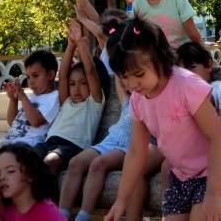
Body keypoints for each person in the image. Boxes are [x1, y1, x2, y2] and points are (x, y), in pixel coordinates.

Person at [102, 18, 221, 221]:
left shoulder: (186, 85)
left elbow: (216, 138)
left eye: (138, 74)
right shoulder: (137, 100)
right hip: (184, 175)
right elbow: (137, 152)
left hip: (220, 172)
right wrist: (121, 200)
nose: (132, 83)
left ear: (160, 60)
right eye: (124, 77)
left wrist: (214, 194)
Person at [0, 50, 60, 215]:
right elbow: (12, 121)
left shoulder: (53, 97)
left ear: (51, 74)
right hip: (4, 149)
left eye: (36, 76)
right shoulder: (31, 97)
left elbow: (36, 121)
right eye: (28, 77)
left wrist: (23, 97)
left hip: (23, 151)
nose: (31, 82)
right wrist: (13, 99)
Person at [58, 75, 162, 221]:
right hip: (108, 142)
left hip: (127, 147)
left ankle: (83, 216)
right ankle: (61, 215)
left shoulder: (152, 104)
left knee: (98, 163)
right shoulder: (128, 102)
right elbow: (120, 79)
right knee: (75, 162)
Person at [37, 20, 109, 175]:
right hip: (49, 142)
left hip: (72, 147)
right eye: (73, 84)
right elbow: (62, 76)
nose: (76, 88)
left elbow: (90, 70)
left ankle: (48, 199)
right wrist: (70, 45)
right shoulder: (67, 102)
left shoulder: (94, 103)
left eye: (83, 83)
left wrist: (79, 41)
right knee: (20, 158)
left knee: (50, 161)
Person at [0, 143, 64, 221]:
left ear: (30, 174)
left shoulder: (47, 212)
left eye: (11, 171)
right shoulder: (1, 207)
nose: (2, 177)